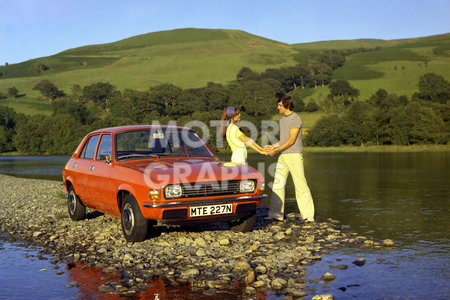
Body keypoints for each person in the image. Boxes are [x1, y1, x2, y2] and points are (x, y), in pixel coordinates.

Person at [265, 96, 315, 222]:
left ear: (286, 106)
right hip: (283, 155)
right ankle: (276, 215)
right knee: (278, 184)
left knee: (300, 185)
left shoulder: (295, 118)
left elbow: (292, 140)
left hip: (294, 155)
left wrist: (275, 150)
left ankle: (308, 216)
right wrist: (273, 146)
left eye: (279, 105)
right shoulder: (282, 120)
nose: (278, 107)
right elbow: (283, 139)